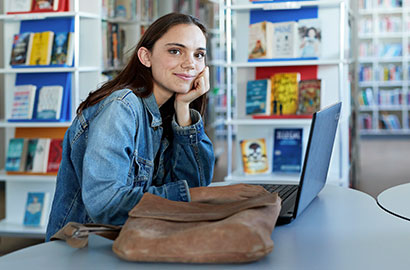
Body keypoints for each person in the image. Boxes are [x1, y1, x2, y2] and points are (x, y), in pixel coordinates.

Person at [46, 13, 267, 241]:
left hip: (136, 242)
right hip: (83, 250)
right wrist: (206, 195)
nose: (190, 63)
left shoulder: (168, 110)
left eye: (199, 54)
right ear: (146, 57)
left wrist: (183, 109)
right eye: (175, 51)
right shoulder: (121, 107)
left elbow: (191, 187)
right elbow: (106, 204)